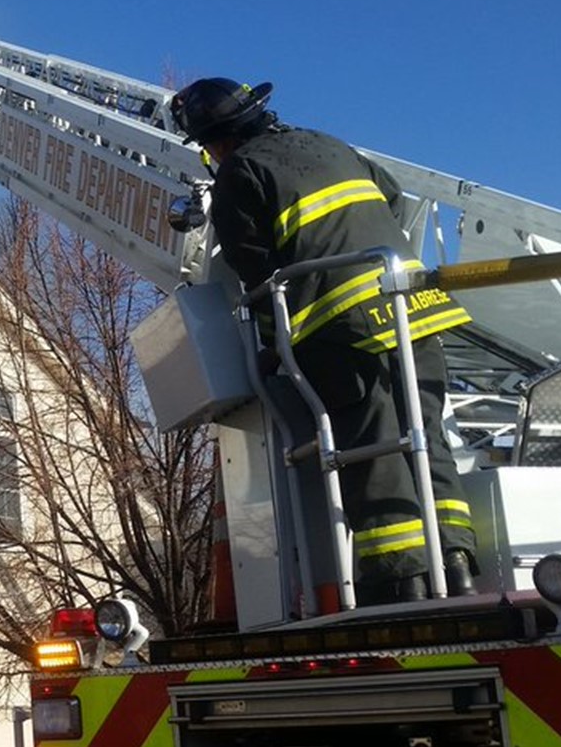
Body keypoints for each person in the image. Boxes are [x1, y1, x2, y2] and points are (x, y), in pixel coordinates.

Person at [169, 77, 477, 604]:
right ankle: (457, 560)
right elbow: (393, 197)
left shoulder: (241, 175)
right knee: (424, 435)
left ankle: (398, 581)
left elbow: (256, 272)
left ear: (216, 142)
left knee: (370, 446)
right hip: (416, 314)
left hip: (343, 331)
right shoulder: (330, 144)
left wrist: (271, 346)